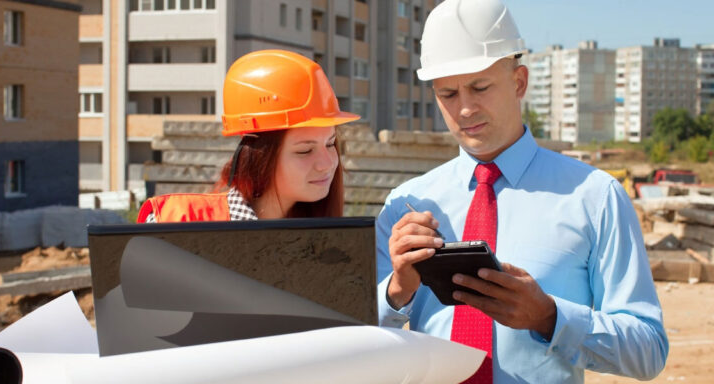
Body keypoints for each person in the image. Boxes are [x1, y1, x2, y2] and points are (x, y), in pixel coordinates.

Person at [376, 0, 668, 383]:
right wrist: (397, 292)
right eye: (448, 94)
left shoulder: (595, 198)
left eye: (480, 87)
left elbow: (648, 350)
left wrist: (550, 318)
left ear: (519, 82)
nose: (464, 109)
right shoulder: (405, 205)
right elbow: (356, 346)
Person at [137, 50, 359, 223]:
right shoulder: (174, 224)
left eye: (330, 144)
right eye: (305, 150)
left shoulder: (329, 245)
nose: (327, 163)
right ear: (259, 157)